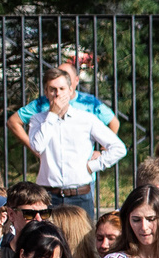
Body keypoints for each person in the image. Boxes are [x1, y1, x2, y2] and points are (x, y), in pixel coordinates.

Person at [21, 68, 127, 214]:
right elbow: (37, 147)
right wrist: (52, 114)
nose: (57, 94)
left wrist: (93, 166)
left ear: (70, 90)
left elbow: (118, 148)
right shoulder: (38, 119)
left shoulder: (86, 119)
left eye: (62, 89)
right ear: (46, 92)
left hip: (80, 195)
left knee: (83, 237)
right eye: (52, 89)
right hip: (49, 195)